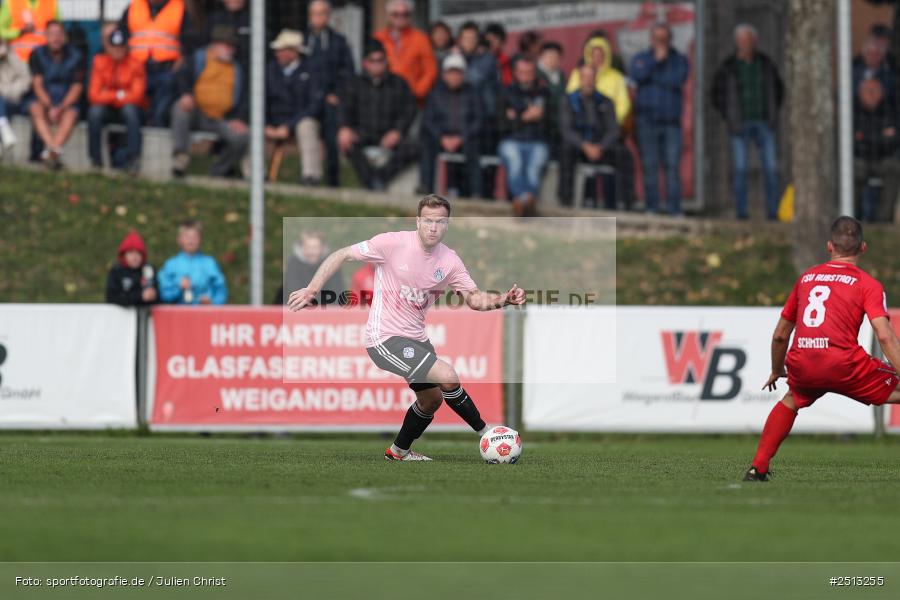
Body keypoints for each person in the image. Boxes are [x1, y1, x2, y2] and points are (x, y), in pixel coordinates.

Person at [287, 194, 527, 461]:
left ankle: (398, 452)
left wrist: (502, 299)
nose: (433, 227)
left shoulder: (450, 261)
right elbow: (341, 254)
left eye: (440, 221)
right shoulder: (392, 243)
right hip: (384, 338)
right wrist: (312, 288)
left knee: (431, 400)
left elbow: (473, 298)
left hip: (416, 339)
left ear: (447, 225)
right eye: (427, 221)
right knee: (447, 375)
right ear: (417, 221)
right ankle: (488, 433)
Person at [745, 216, 900, 481]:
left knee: (792, 399)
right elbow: (884, 337)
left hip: (803, 361)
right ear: (863, 248)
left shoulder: (806, 279)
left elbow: (781, 334)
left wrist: (776, 369)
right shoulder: (868, 284)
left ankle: (758, 467)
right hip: (844, 364)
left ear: (829, 246)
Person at [711, 23, 784, 221]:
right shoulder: (729, 67)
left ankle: (772, 212)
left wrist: (772, 115)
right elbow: (716, 93)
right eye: (742, 41)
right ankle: (741, 212)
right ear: (736, 43)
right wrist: (729, 116)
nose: (746, 44)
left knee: (770, 169)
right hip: (739, 125)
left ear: (755, 42)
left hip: (763, 122)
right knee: (740, 169)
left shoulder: (766, 64)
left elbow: (778, 89)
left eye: (749, 40)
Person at [338, 38, 418, 191]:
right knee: (347, 145)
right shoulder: (354, 84)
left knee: (414, 147)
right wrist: (344, 128)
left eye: (380, 60)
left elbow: (409, 109)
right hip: (363, 133)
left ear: (386, 61)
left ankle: (379, 178)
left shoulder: (399, 83)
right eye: (372, 60)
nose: (376, 64)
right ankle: (373, 181)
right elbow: (344, 108)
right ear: (365, 63)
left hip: (389, 133)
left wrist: (397, 131)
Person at [170, 24, 247, 178]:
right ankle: (181, 158)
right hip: (197, 113)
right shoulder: (198, 59)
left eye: (233, 46)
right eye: (227, 45)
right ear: (215, 45)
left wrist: (239, 118)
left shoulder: (237, 68)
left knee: (242, 137)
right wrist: (186, 94)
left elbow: (244, 96)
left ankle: (218, 172)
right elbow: (181, 77)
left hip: (222, 118)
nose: (231, 50)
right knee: (180, 108)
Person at [630, 23, 689, 216]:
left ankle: (674, 209)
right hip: (647, 121)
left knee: (672, 167)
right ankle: (652, 207)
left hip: (671, 122)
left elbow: (677, 79)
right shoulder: (641, 58)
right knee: (650, 166)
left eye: (664, 38)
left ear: (670, 39)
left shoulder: (679, 59)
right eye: (657, 38)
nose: (660, 42)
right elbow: (636, 76)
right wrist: (655, 62)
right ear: (651, 39)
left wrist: (654, 76)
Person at [119, 0, 197, 127]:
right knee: (135, 110)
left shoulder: (179, 8)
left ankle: (157, 139)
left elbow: (189, 42)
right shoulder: (134, 6)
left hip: (167, 69)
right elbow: (121, 36)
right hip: (137, 69)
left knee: (161, 111)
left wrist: (181, 61)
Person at [304, 0, 354, 188]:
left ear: (328, 15)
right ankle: (310, 178)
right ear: (309, 16)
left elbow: (348, 73)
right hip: (306, 101)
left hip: (329, 100)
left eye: (322, 13)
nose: (318, 17)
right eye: (315, 13)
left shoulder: (338, 41)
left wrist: (337, 94)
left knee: (332, 135)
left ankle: (333, 182)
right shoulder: (301, 39)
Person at [420, 53, 485, 198]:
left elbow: (479, 119)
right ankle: (426, 191)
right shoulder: (435, 93)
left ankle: (476, 194)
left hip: (466, 137)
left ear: (463, 75)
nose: (454, 77)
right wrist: (442, 137)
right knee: (427, 147)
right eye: (451, 73)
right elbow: (428, 120)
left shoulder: (473, 93)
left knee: (474, 148)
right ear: (444, 74)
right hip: (441, 137)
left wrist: (461, 138)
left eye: (458, 73)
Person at [265, 29, 324, 186]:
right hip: (274, 120)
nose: (278, 54)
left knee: (307, 126)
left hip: (298, 120)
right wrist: (266, 125)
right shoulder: (270, 69)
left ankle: (310, 176)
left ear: (294, 52)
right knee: (251, 127)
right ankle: (254, 176)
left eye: (283, 50)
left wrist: (288, 126)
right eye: (278, 50)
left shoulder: (311, 70)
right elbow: (261, 99)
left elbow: (314, 105)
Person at [497, 57, 552, 217]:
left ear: (534, 73)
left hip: (538, 141)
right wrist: (525, 118)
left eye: (529, 72)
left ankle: (521, 202)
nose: (525, 76)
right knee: (515, 164)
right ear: (515, 73)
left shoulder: (544, 93)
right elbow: (501, 125)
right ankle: (526, 201)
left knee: (533, 169)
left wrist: (515, 117)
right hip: (511, 141)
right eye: (522, 72)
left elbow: (550, 124)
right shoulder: (505, 93)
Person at [558, 64, 619, 208]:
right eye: (584, 77)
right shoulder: (568, 100)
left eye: (591, 77)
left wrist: (601, 147)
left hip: (600, 147)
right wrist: (584, 146)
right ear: (579, 79)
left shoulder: (605, 101)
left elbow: (613, 130)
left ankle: (616, 203)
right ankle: (566, 201)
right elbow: (566, 130)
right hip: (578, 146)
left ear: (595, 79)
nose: (588, 81)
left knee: (623, 154)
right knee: (565, 150)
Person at [26, 20, 84, 169]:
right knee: (34, 108)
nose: (56, 38)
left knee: (71, 114)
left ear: (64, 36)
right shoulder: (37, 54)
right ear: (45, 36)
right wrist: (50, 106)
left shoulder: (76, 56)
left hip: (66, 102)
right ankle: (54, 150)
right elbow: (37, 85)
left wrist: (61, 107)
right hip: (46, 100)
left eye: (59, 34)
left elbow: (76, 87)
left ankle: (51, 153)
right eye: (52, 34)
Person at [87, 28, 146, 171]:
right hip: (108, 108)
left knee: (130, 111)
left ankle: (133, 160)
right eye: (114, 47)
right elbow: (93, 95)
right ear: (108, 47)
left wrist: (108, 94)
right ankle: (96, 160)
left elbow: (137, 96)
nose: (117, 51)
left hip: (128, 109)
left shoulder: (136, 64)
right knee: (94, 112)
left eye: (121, 47)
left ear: (126, 47)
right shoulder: (99, 61)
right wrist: (119, 95)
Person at [853, 78, 900, 223]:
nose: (872, 94)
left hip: (883, 158)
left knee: (893, 168)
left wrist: (865, 137)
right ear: (860, 93)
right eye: (868, 91)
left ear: (882, 93)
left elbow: (894, 141)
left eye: (875, 91)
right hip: (860, 158)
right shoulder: (852, 111)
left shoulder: (890, 110)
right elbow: (853, 142)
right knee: (853, 171)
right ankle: (853, 218)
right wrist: (881, 137)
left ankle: (883, 221)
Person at [373, 0, 437, 104]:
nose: (400, 17)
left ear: (410, 16)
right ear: (388, 16)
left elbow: (430, 70)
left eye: (405, 14)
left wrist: (417, 92)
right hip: (382, 99)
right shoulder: (378, 38)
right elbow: (370, 67)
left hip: (412, 99)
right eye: (396, 14)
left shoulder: (421, 39)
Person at [158, 219, 228, 305]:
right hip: (178, 315)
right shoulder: (171, 265)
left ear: (201, 239)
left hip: (205, 314)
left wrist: (212, 302)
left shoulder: (210, 264)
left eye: (195, 237)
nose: (191, 240)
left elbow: (221, 291)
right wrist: (179, 288)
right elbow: (163, 295)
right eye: (187, 236)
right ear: (179, 240)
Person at [566, 34, 630, 126]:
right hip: (582, 125)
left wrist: (613, 122)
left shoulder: (616, 77)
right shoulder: (577, 74)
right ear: (588, 55)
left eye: (600, 55)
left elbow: (623, 104)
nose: (597, 58)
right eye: (594, 55)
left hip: (609, 125)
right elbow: (571, 98)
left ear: (606, 56)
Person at [276, 230, 345, 306]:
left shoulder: (332, 265)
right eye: (308, 247)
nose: (312, 251)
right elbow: (292, 291)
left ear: (322, 248)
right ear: (301, 248)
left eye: (315, 247)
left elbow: (336, 292)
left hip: (325, 310)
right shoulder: (293, 264)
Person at [454, 20, 499, 119]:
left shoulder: (487, 58)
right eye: (466, 38)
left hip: (485, 113)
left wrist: (458, 59)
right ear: (460, 40)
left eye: (473, 38)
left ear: (478, 40)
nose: (470, 41)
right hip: (460, 113)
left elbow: (474, 79)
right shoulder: (454, 57)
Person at [106, 230, 158, 306]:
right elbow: (111, 297)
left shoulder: (148, 270)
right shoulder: (117, 271)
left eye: (138, 253)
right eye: (131, 252)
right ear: (124, 255)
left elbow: (158, 298)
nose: (135, 257)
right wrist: (139, 296)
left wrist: (152, 296)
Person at [0, 38, 31, 151]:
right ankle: (3, 126)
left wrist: (7, 57)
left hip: (14, 99)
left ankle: (2, 125)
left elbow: (26, 79)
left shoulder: (12, 57)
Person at [853, 35, 897, 110]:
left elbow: (892, 95)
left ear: (882, 56)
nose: (872, 56)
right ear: (864, 54)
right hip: (857, 113)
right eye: (869, 53)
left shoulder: (890, 74)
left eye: (876, 54)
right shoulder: (854, 72)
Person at [484, 22, 511, 86]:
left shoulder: (507, 61)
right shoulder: (478, 60)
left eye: (494, 39)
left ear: (502, 41)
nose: (491, 43)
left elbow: (508, 82)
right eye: (488, 40)